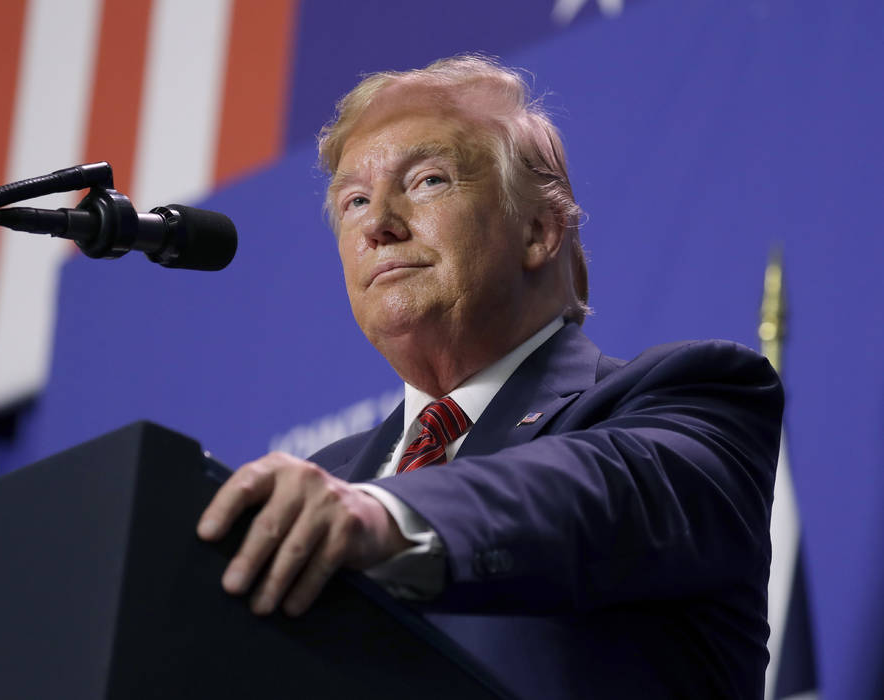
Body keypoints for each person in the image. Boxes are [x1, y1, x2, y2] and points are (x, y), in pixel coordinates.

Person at [197, 55, 782, 698]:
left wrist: (382, 514)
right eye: (354, 200)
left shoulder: (692, 396)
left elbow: (589, 492)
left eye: (426, 181)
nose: (377, 225)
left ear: (538, 230)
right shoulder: (327, 479)